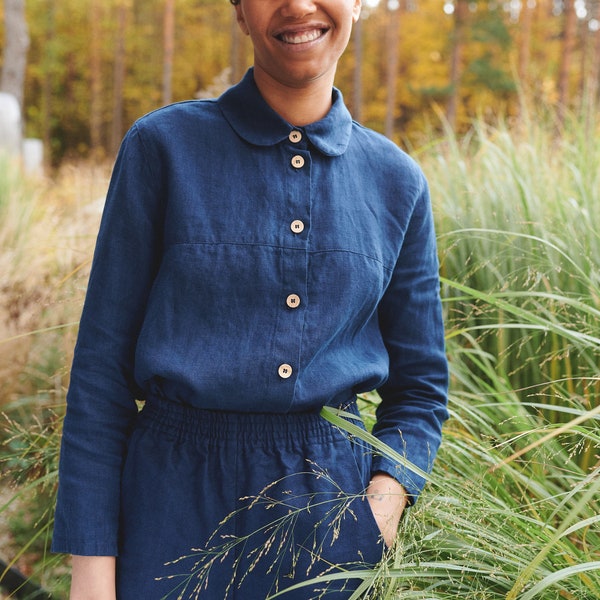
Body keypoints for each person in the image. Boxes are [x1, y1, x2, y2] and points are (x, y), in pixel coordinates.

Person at [51, 0, 449, 596]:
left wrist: (381, 510)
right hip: (169, 511)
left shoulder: (397, 181)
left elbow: (420, 388)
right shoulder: (162, 149)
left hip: (331, 521)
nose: (298, 5)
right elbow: (101, 375)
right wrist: (91, 569)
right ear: (240, 10)